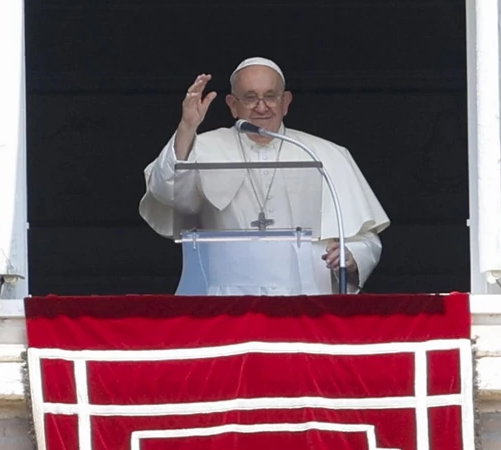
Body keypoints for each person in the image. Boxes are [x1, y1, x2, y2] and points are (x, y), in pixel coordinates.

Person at [139, 57, 390, 294]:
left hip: (306, 297)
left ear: (286, 102)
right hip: (227, 299)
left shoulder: (325, 153)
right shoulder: (201, 148)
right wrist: (187, 127)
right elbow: (167, 191)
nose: (261, 107)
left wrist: (352, 255)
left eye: (270, 96)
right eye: (250, 98)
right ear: (232, 105)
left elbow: (365, 239)